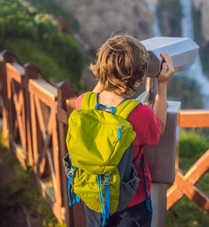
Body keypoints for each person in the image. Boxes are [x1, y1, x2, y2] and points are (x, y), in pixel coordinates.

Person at [74, 33, 175, 226]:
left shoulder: (83, 103)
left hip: (95, 195)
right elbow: (159, 128)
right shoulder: (139, 114)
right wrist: (162, 84)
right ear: (139, 80)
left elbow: (93, 95)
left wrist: (108, 73)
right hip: (131, 201)